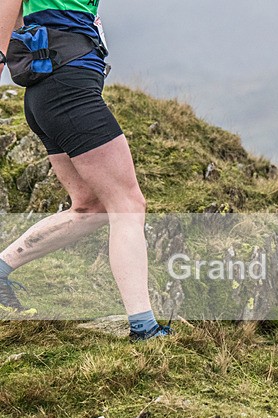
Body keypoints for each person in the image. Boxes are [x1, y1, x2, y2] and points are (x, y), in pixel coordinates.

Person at [0, 0, 170, 340]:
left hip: (49, 90)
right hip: (68, 85)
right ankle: (144, 328)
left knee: (90, 206)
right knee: (128, 204)